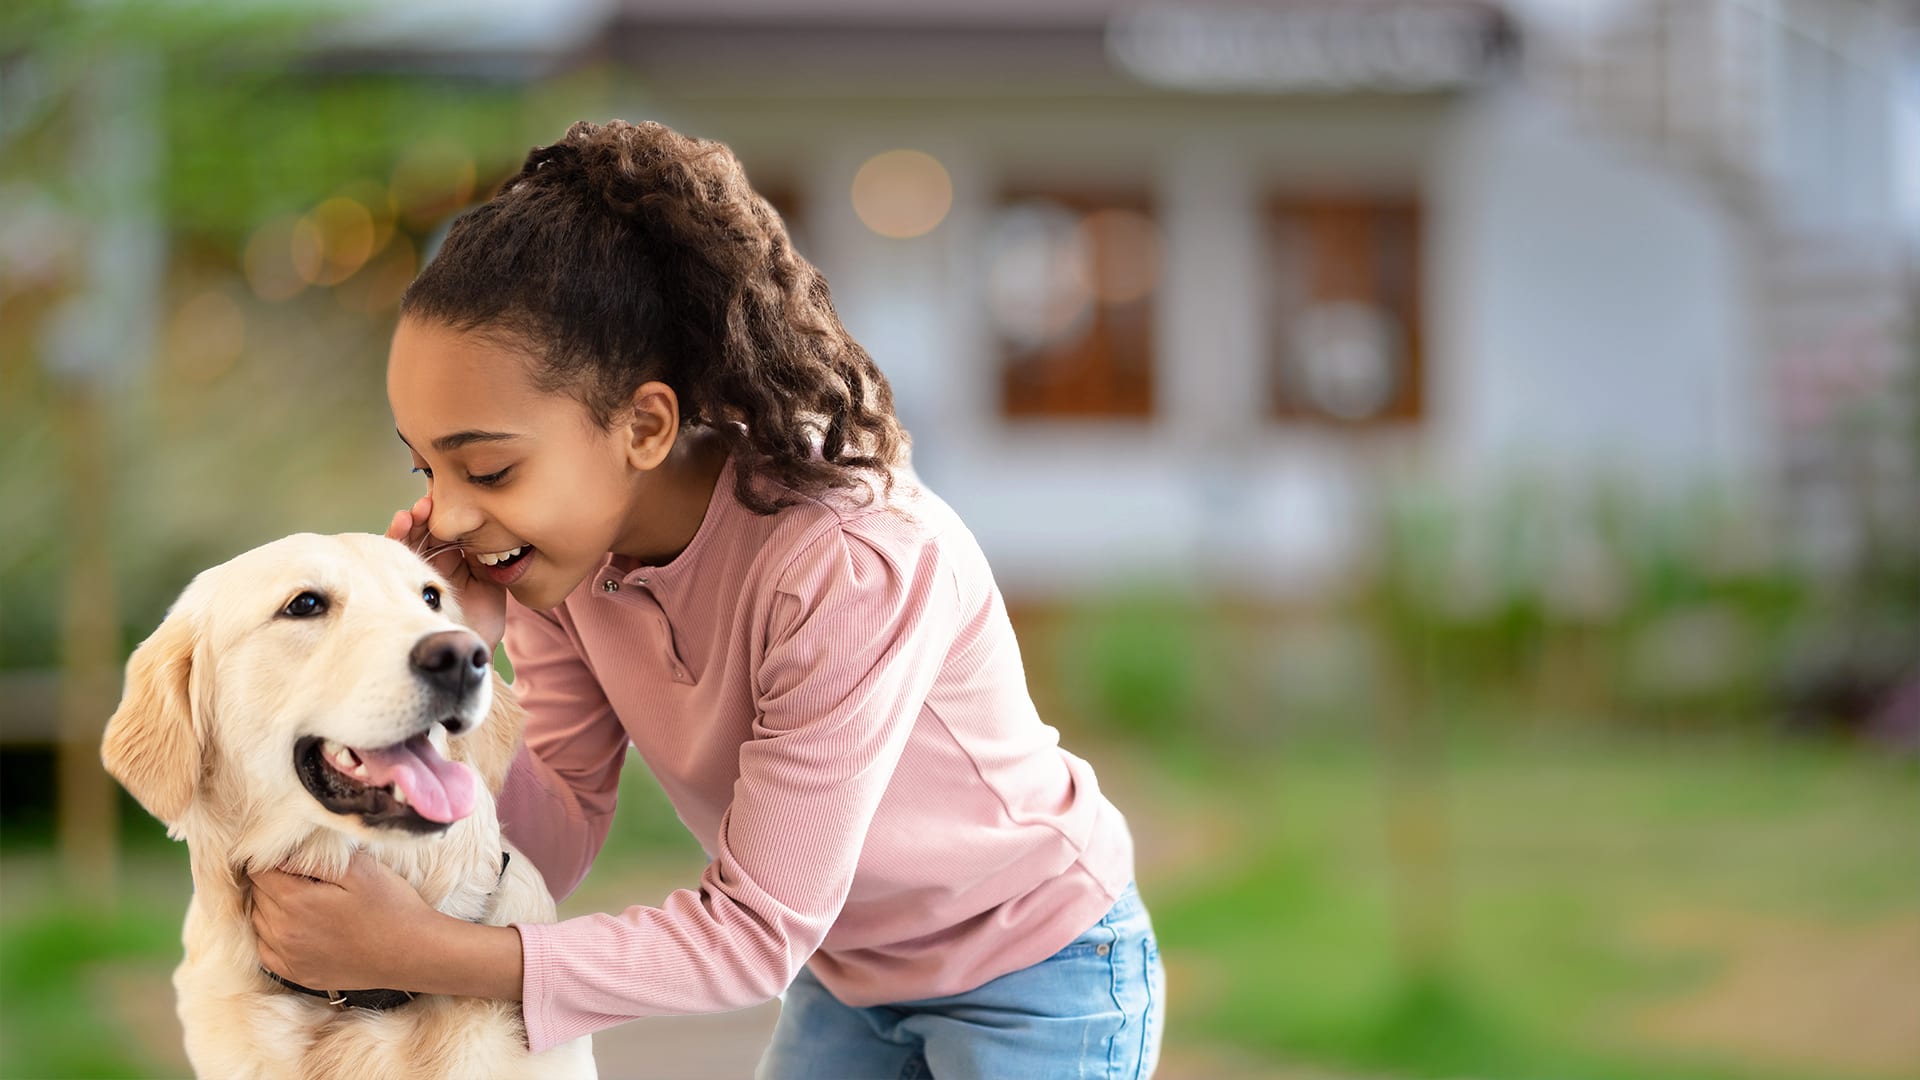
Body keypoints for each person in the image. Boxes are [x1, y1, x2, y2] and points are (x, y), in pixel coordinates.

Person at [247, 119, 1163, 1079]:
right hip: (850, 973)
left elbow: (753, 935)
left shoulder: (846, 564)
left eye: (487, 467)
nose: (451, 515)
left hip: (1034, 963)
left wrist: (422, 956)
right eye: (428, 466)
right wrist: (453, 674)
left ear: (644, 425)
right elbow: (548, 844)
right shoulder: (564, 564)